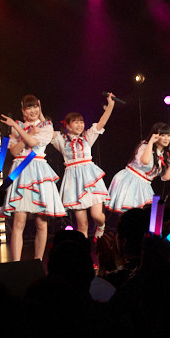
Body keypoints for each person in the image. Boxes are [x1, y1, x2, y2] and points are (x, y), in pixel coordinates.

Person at [1, 95, 65, 261]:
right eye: (28, 108)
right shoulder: (18, 126)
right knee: (19, 221)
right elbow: (14, 151)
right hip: (21, 170)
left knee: (41, 222)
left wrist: (18, 128)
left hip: (39, 171)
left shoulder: (46, 126)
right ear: (23, 111)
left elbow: (33, 142)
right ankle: (16, 263)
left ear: (39, 108)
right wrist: (23, 130)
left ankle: (38, 261)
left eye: (35, 107)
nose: (32, 110)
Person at [51, 93, 117, 239]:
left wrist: (110, 105)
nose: (80, 124)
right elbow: (47, 131)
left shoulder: (87, 137)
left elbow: (101, 123)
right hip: (73, 181)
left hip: (90, 178)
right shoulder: (61, 140)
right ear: (67, 126)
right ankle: (84, 251)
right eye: (75, 122)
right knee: (82, 225)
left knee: (96, 216)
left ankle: (101, 226)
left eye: (81, 121)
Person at [106, 122, 170, 213]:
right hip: (130, 180)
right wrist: (151, 142)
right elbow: (145, 161)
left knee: (148, 214)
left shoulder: (164, 155)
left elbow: (166, 177)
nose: (166, 139)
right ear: (155, 136)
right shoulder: (144, 146)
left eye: (168, 135)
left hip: (144, 185)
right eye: (163, 135)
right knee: (130, 213)